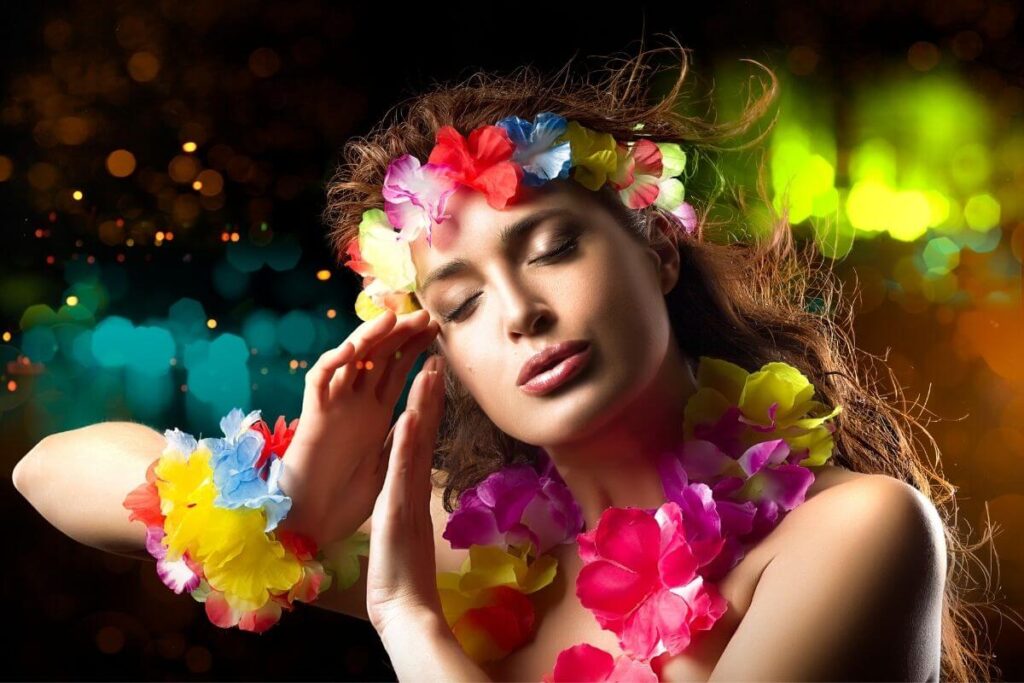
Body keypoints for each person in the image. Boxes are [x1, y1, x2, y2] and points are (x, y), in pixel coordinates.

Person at [13, 36, 998, 682]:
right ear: (435, 346)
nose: (521, 314)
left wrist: (410, 623)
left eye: (555, 248)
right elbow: (49, 465)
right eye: (463, 301)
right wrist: (284, 510)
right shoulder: (463, 542)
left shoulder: (849, 534)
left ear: (654, 248)